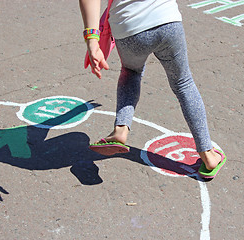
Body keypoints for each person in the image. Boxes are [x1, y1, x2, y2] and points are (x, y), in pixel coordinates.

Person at [79, 0, 226, 178]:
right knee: (183, 83)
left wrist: (92, 40)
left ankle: (120, 130)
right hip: (166, 19)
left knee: (131, 72)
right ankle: (208, 155)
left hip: (128, 27)